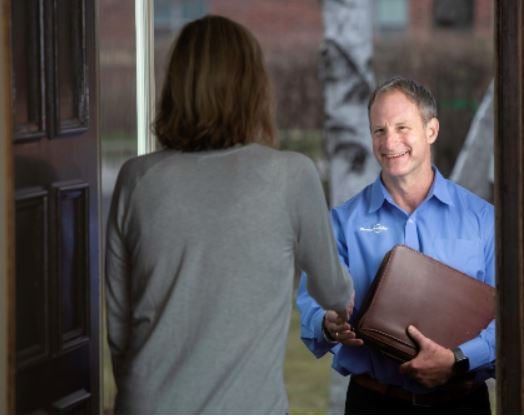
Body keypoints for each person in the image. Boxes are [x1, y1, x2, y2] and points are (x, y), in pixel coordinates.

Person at [105, 15, 353, 414]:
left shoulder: (137, 179)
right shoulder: (290, 175)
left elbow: (118, 327)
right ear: (254, 87)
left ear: (176, 87)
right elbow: (334, 293)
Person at [296, 77, 495, 414]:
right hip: (373, 403)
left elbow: (508, 314)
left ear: (431, 131)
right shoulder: (341, 223)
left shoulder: (483, 218)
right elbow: (310, 301)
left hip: (462, 403)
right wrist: (327, 323)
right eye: (379, 130)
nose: (390, 142)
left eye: (403, 127)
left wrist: (456, 359)